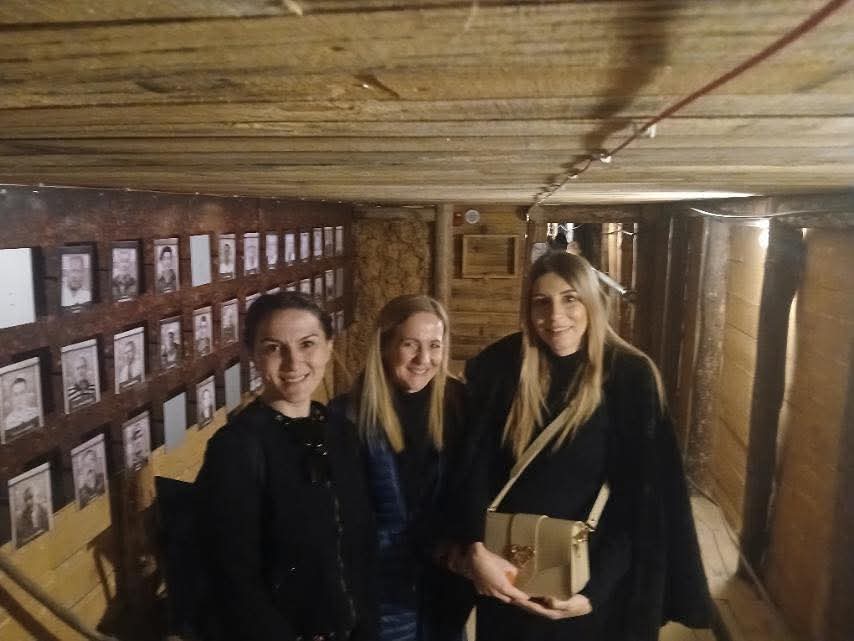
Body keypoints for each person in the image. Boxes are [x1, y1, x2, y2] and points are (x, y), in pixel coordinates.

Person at [452, 251, 710, 641]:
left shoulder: (630, 377)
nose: (555, 316)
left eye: (569, 299)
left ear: (591, 302)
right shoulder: (502, 368)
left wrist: (593, 593)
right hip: (508, 573)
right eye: (542, 302)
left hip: (590, 578)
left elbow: (641, 500)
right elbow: (473, 468)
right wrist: (475, 549)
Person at [196, 292, 377, 641]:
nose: (293, 363)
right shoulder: (237, 447)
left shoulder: (340, 431)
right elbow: (232, 575)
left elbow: (360, 544)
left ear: (328, 346)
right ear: (252, 355)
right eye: (273, 348)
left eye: (307, 344)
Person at [332, 294, 473, 641]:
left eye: (434, 345)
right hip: (380, 584)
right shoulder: (348, 415)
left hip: (445, 580)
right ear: (385, 345)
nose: (424, 359)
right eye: (410, 344)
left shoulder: (461, 405)